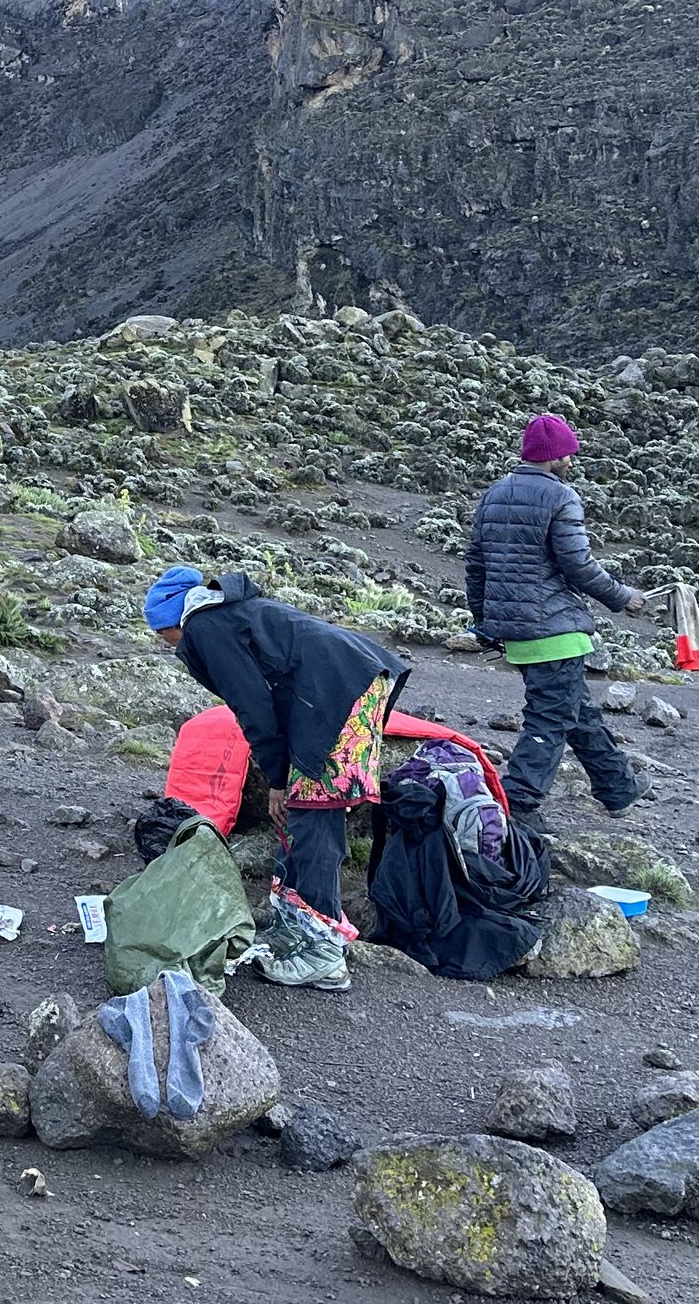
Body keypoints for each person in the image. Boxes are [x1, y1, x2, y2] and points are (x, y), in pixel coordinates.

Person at [143, 565, 405, 989]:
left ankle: (324, 953)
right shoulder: (222, 618)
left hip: (338, 694)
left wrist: (278, 779)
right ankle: (294, 928)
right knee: (300, 815)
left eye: (161, 633)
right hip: (336, 688)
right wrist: (281, 778)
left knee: (315, 814)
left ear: (173, 621)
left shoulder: (206, 629)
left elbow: (253, 708)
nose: (163, 643)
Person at [466, 412, 648, 835]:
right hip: (555, 631)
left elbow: (476, 563)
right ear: (555, 456)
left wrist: (486, 619)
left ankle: (617, 787)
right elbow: (577, 564)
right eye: (569, 453)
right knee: (549, 719)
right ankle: (519, 803)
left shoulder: (494, 495)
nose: (572, 459)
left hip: (517, 630)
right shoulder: (561, 497)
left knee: (576, 710)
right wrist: (623, 598)